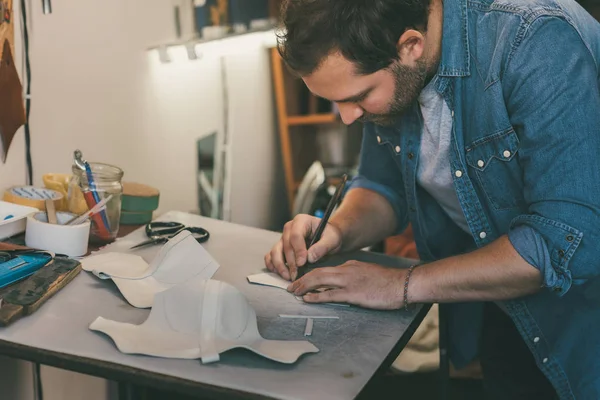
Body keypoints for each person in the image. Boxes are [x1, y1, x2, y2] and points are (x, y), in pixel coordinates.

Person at [264, 0, 600, 399]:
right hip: (498, 293)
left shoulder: (533, 42)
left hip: (583, 313)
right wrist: (338, 229)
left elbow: (562, 242)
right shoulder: (391, 58)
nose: (347, 118)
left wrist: (400, 284)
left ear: (410, 45)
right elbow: (382, 184)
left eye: (358, 96)